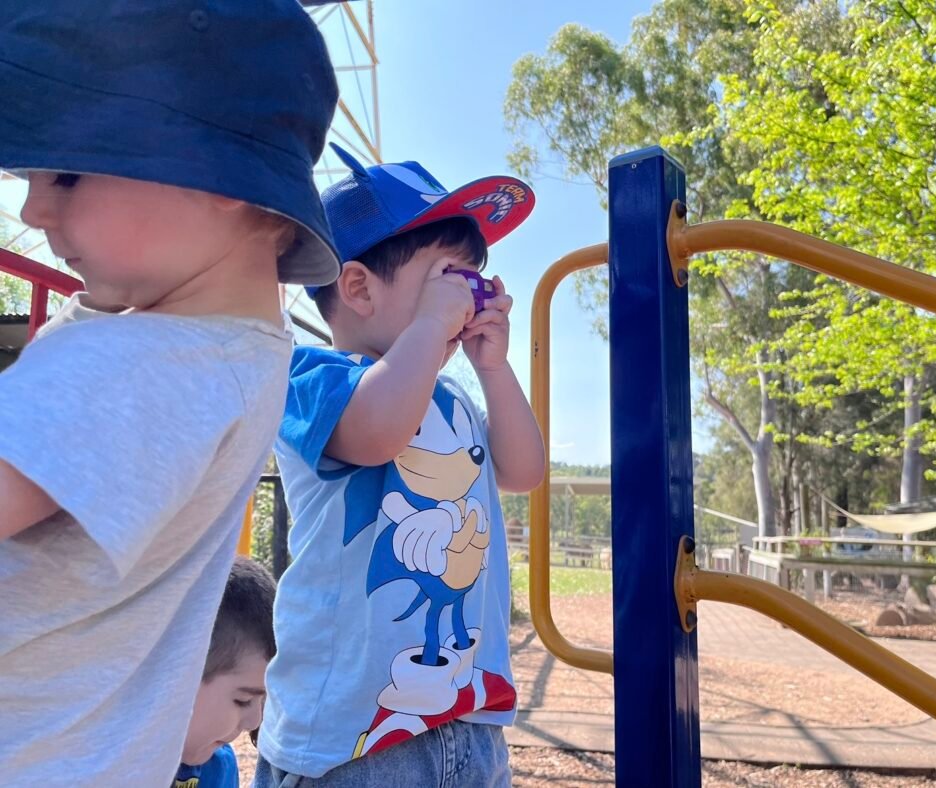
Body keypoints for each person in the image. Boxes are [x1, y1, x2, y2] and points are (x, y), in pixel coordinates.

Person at [0, 2, 340, 784]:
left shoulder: (141, 363)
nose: (32, 208)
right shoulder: (238, 359)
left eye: (68, 171)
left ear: (223, 176)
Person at [254, 145, 546, 786]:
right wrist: (431, 328)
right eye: (448, 280)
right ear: (357, 287)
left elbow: (524, 470)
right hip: (350, 739)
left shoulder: (455, 397)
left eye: (473, 284)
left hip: (469, 721)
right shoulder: (312, 378)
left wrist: (492, 367)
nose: (466, 301)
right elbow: (379, 432)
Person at [174, 557, 277, 788]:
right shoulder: (98, 762)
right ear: (182, 674)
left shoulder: (219, 768)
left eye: (263, 700)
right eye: (243, 700)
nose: (255, 721)